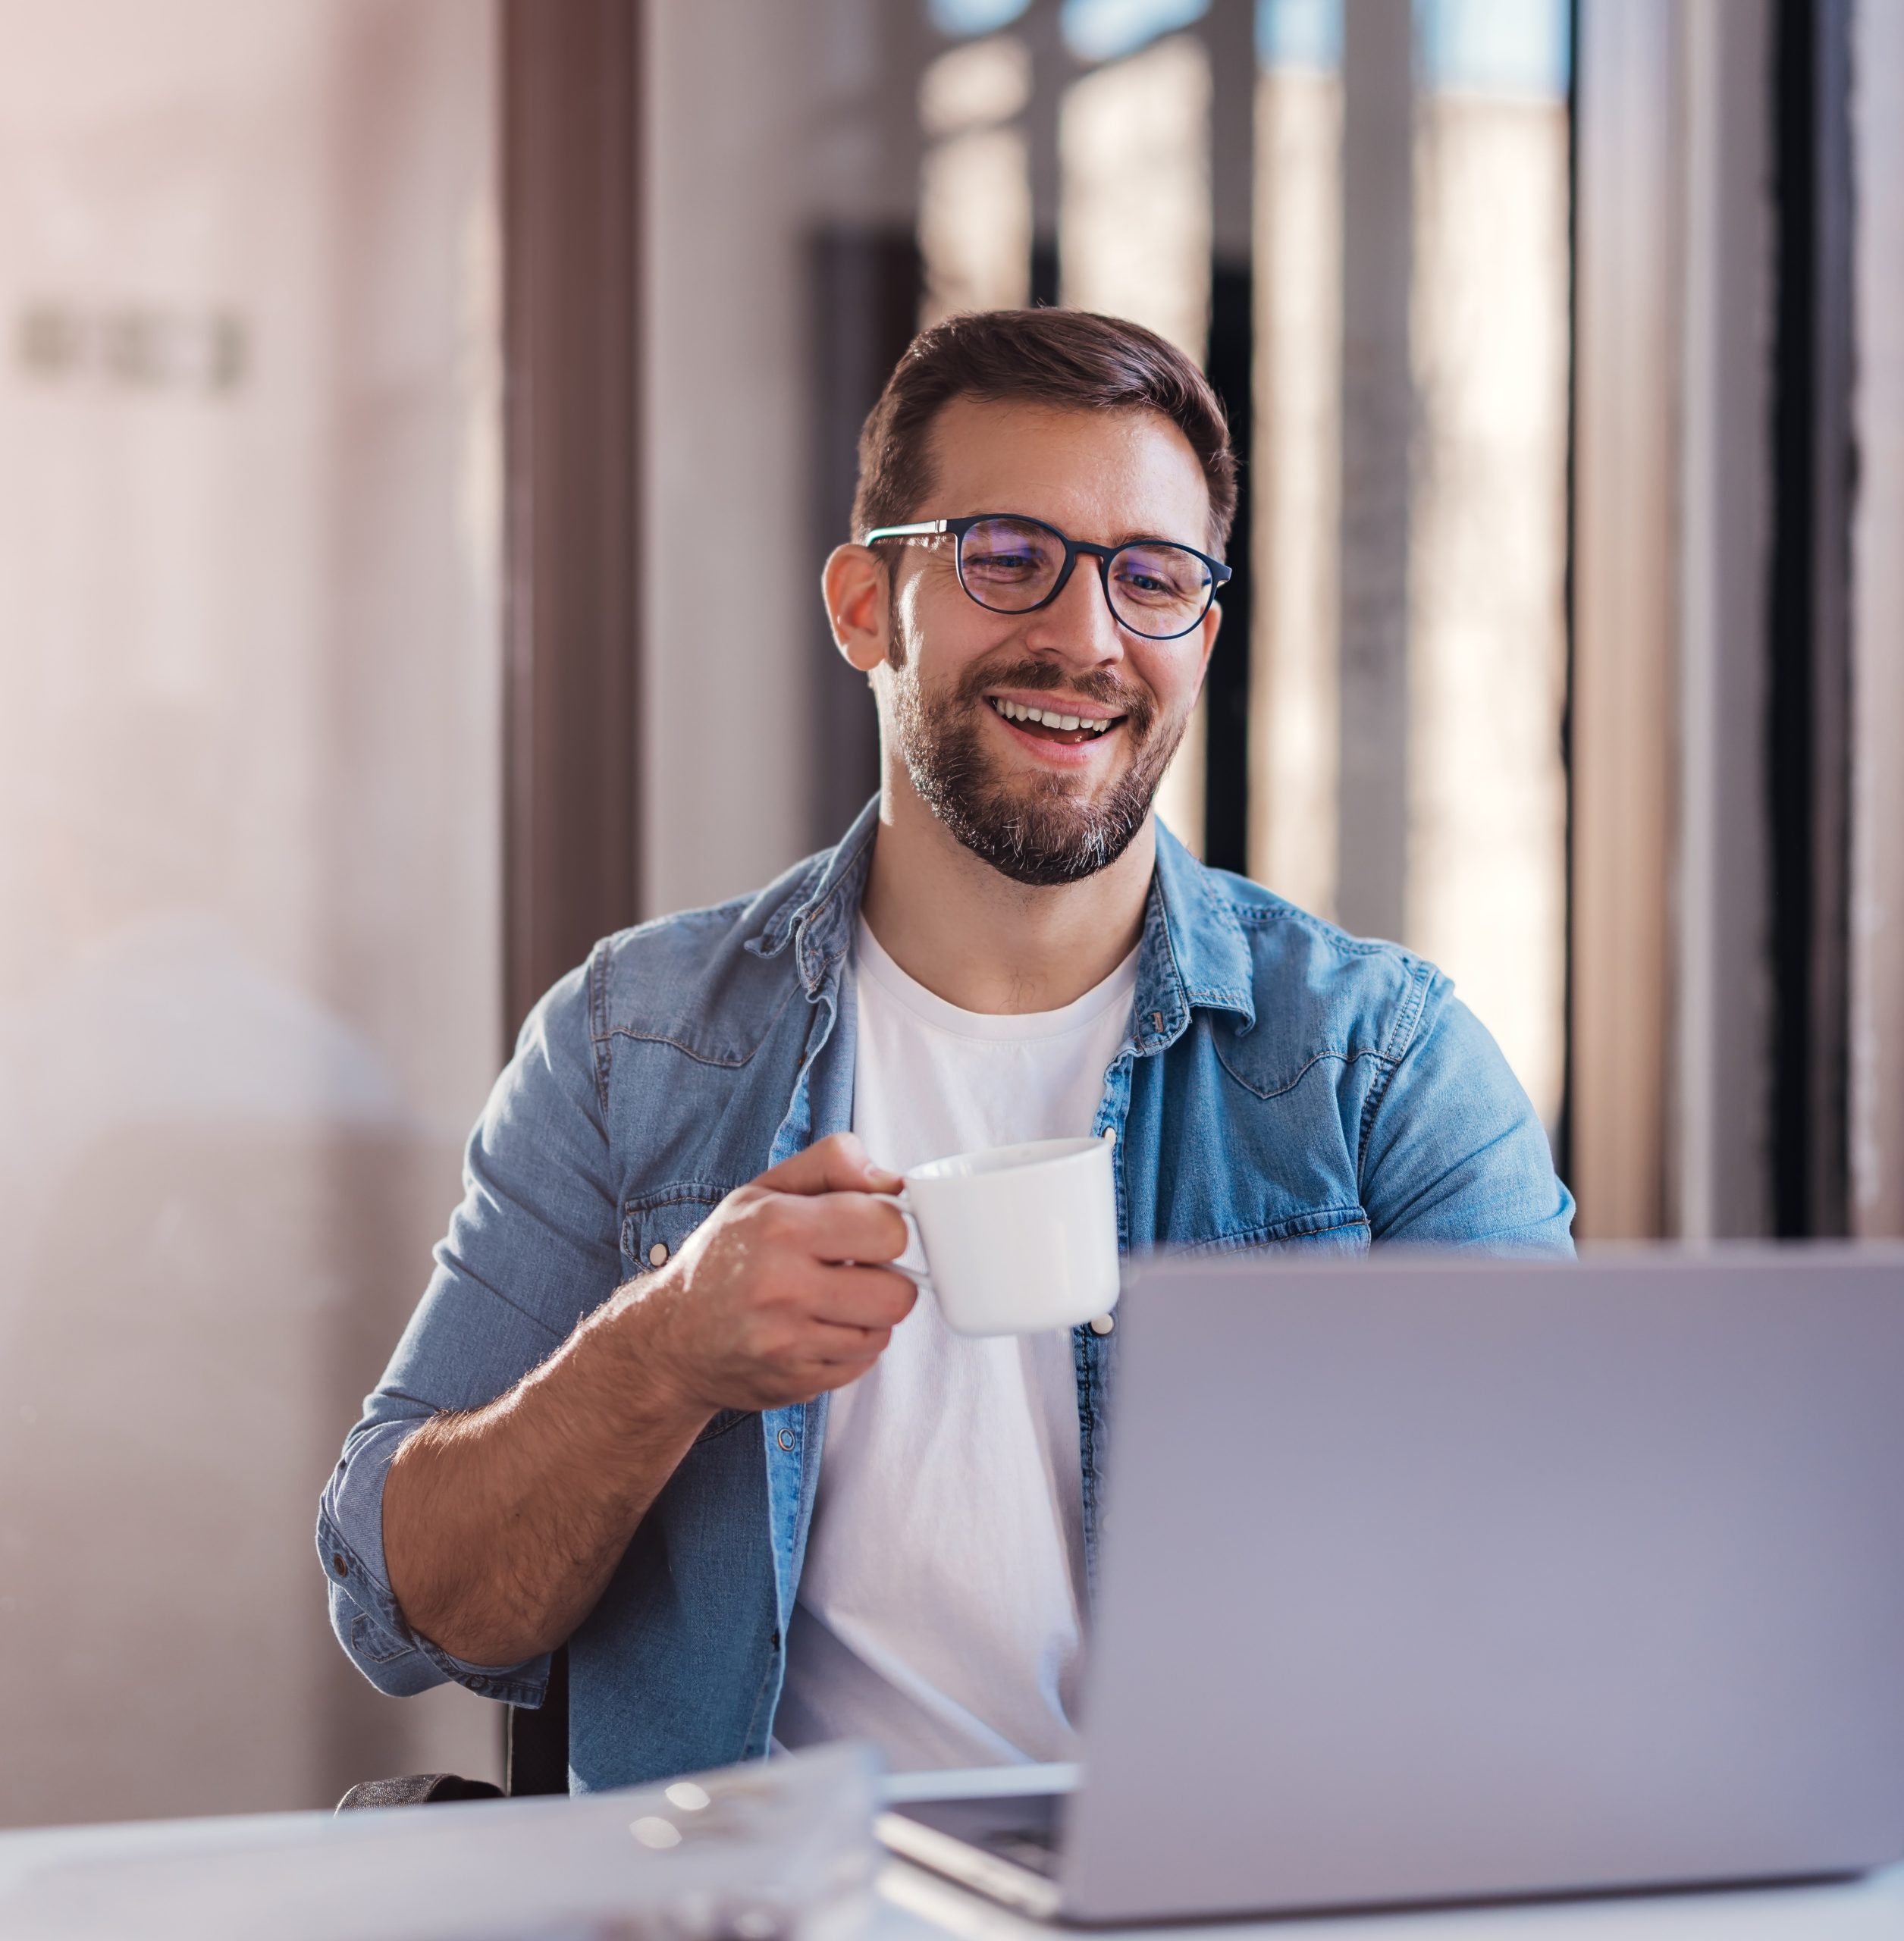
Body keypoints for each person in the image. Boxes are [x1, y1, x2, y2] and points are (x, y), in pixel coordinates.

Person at [318, 308, 1573, 1792]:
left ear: (1200, 635)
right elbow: (410, 1607)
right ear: (866, 605)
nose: (1086, 636)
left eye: (1149, 578)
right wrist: (661, 1354)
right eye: (1005, 555)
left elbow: (1552, 1594)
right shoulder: (627, 1043)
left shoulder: (1379, 1067)